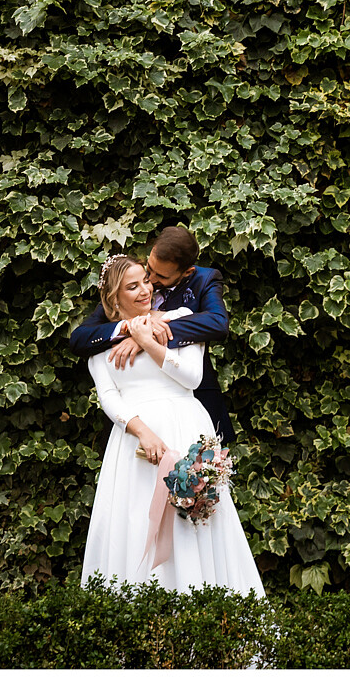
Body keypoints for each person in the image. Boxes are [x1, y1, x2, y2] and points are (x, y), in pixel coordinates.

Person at [78, 253, 265, 595]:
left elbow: (192, 377)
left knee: (194, 522)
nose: (144, 291)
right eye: (131, 287)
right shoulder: (101, 341)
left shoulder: (178, 318)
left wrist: (148, 341)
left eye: (145, 282)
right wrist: (142, 432)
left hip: (185, 428)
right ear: (114, 298)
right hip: (134, 442)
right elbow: (108, 396)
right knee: (134, 522)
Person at [68, 226, 235, 446]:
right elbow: (82, 338)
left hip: (192, 405)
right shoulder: (130, 282)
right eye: (149, 270)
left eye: (160, 276)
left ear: (187, 272)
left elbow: (217, 323)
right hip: (137, 421)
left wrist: (147, 336)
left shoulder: (204, 280)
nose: (151, 282)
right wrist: (130, 327)